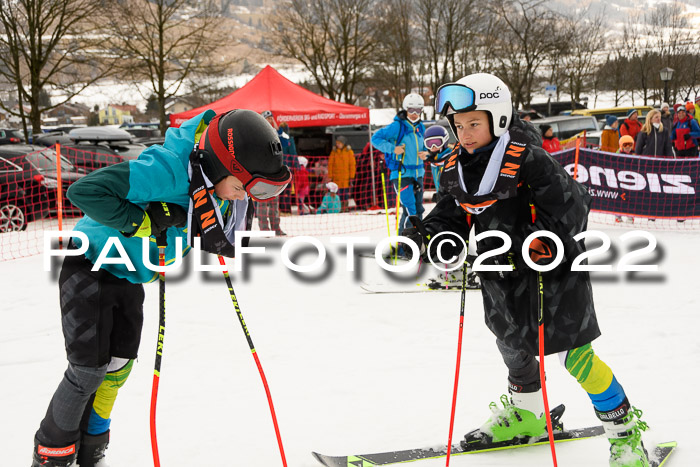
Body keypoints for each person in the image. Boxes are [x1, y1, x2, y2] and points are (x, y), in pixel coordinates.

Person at [405, 73, 650, 467]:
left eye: (473, 123)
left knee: (576, 358)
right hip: (500, 277)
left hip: (550, 277)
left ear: (498, 118)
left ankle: (625, 436)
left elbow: (573, 205)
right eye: (458, 125)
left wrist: (539, 241)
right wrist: (428, 237)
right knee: (511, 345)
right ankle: (528, 413)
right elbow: (452, 215)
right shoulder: (457, 164)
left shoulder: (527, 157)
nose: (463, 133)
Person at [30, 109, 291, 467]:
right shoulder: (165, 171)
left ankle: (92, 451)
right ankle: (52, 455)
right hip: (90, 266)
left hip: (132, 276)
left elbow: (199, 219)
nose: (241, 197)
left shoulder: (212, 183)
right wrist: (143, 220)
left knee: (117, 370)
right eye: (241, 186)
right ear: (217, 165)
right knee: (88, 371)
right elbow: (84, 191)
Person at [371, 93, 429, 235]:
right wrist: (393, 149)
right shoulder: (397, 126)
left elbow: (427, 146)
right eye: (411, 110)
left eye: (418, 110)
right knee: (411, 210)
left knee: (418, 209)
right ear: (405, 109)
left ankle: (415, 240)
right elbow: (375, 138)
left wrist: (426, 153)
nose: (415, 114)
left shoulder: (421, 128)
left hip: (418, 174)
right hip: (401, 174)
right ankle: (404, 245)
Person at [258, 110, 288, 234]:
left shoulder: (277, 133)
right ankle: (264, 229)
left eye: (271, 118)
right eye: (267, 118)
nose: (270, 120)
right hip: (263, 172)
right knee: (263, 203)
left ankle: (276, 228)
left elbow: (286, 143)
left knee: (274, 203)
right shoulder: (258, 133)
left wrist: (282, 130)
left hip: (276, 172)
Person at [423, 125, 452, 201]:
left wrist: (446, 195)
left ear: (445, 141)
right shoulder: (435, 160)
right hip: (443, 198)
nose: (433, 146)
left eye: (437, 143)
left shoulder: (451, 158)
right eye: (429, 143)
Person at [327, 135, 356, 212]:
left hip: (346, 178)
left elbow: (352, 165)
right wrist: (330, 176)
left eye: (339, 143)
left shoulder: (349, 152)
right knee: (338, 194)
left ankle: (345, 207)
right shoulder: (334, 152)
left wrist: (352, 176)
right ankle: (338, 207)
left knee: (345, 194)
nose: (338, 145)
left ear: (343, 143)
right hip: (336, 178)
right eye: (337, 143)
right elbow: (330, 165)